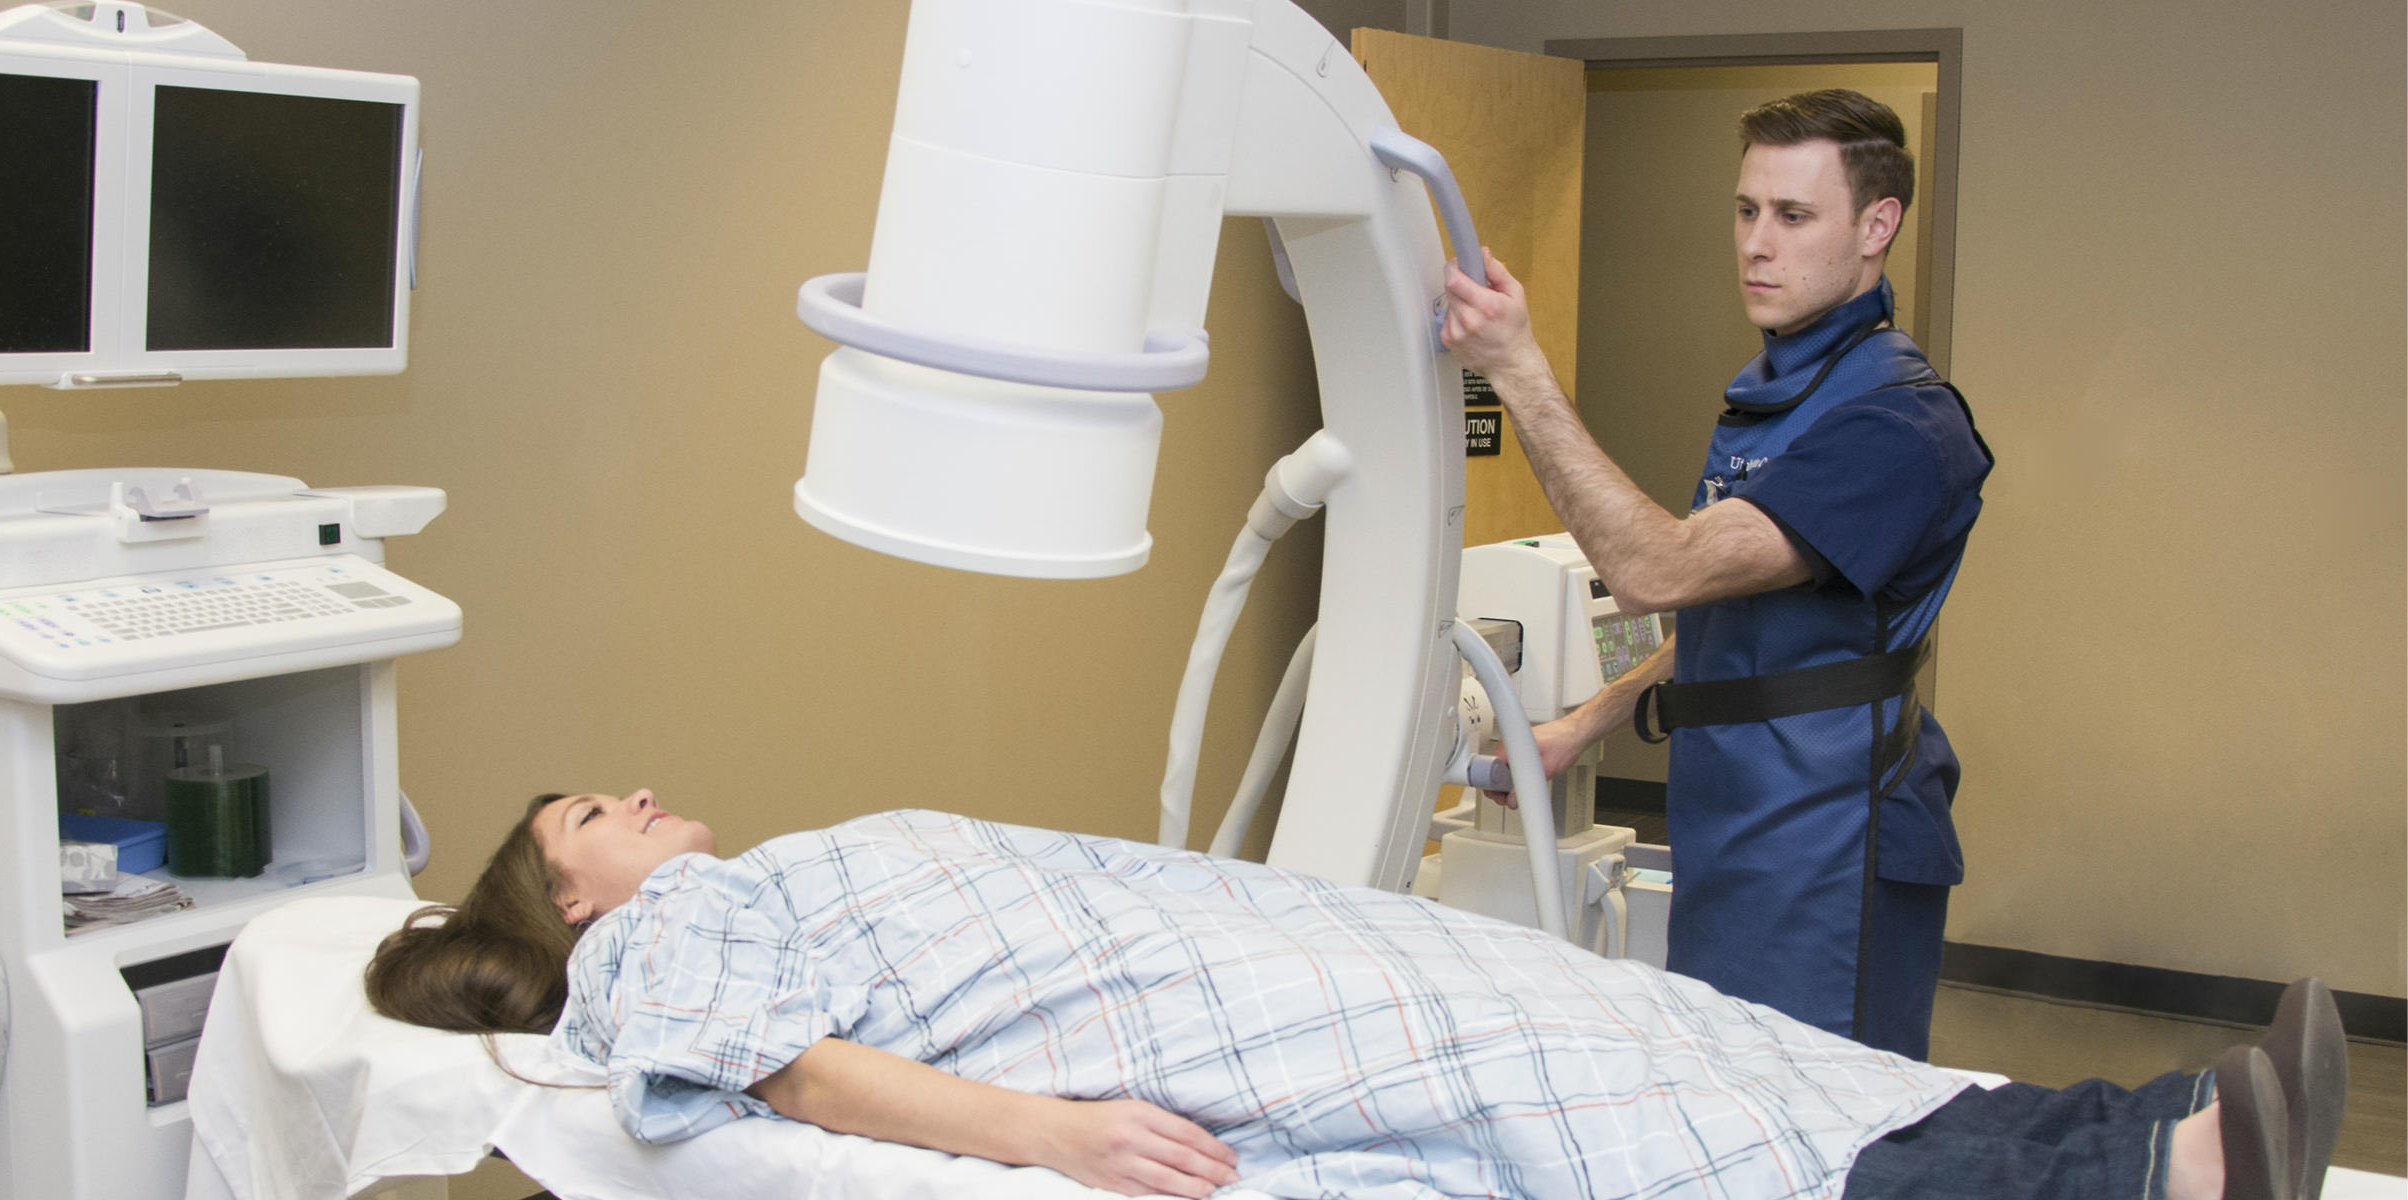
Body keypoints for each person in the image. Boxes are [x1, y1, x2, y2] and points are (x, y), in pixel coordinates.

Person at [366, 788, 2348, 1200]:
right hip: (1191, 1012)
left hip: (1243, 944)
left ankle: (2133, 1128)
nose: (632, 799)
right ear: (567, 894)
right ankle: (2134, 1180)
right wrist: (1048, 1135)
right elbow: (782, 1077)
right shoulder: (654, 939)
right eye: (588, 813)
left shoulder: (730, 879)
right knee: (1603, 1089)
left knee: (1662, 1038)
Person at [1437, 88, 1994, 1061]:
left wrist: (1515, 370)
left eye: (1791, 216)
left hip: (1825, 847)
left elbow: (1656, 571)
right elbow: (1728, 620)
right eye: (1744, 211)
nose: (1754, 244)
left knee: (1819, 1117)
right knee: (1727, 1091)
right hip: (1732, 825)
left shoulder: (1898, 429)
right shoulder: (1776, 393)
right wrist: (1579, 725)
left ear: (1876, 226)